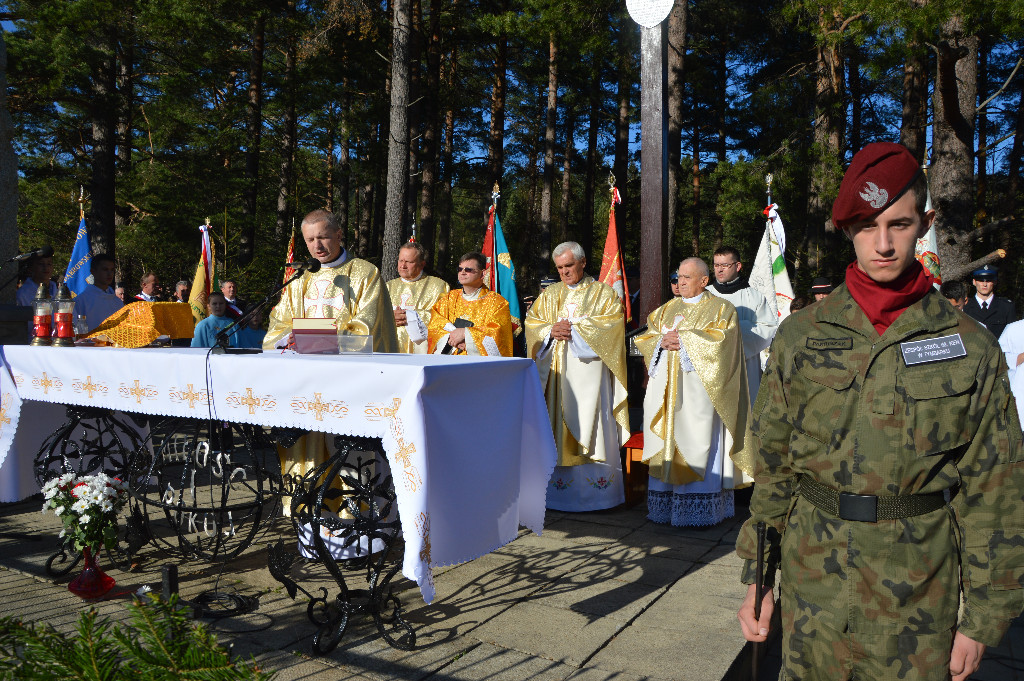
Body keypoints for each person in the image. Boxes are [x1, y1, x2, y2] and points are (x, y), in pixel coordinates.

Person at [736, 142, 1024, 681]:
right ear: (849, 229)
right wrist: (759, 577)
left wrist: (985, 617)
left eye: (900, 224)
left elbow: (996, 491)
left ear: (926, 225)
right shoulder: (801, 337)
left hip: (917, 595)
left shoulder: (970, 347)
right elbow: (773, 467)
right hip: (814, 585)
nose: (884, 243)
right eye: (868, 226)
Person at [634, 257, 754, 527]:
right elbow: (647, 337)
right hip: (666, 393)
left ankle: (701, 509)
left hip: (700, 395)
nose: (681, 282)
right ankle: (665, 506)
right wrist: (660, 341)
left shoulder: (721, 309)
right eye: (679, 277)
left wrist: (686, 340)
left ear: (704, 280)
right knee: (666, 438)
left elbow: (724, 343)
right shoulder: (667, 309)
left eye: (687, 277)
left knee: (698, 439)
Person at [525, 241, 630, 511]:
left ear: (583, 262)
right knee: (555, 425)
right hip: (557, 376)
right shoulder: (550, 295)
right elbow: (532, 323)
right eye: (559, 267)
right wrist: (549, 331)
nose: (564, 272)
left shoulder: (603, 294)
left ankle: (598, 497)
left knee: (592, 426)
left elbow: (612, 327)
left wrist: (574, 330)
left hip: (590, 377)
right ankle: (558, 497)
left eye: (569, 265)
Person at [264, 208, 398, 352]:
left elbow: (369, 326)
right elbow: (279, 323)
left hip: (347, 362)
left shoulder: (365, 273)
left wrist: (324, 341)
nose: (317, 246)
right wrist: (288, 337)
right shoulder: (299, 278)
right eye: (310, 240)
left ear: (338, 235)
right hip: (304, 361)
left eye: (322, 238)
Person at [708, 246, 778, 401]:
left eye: (725, 265)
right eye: (716, 265)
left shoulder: (754, 297)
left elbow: (768, 329)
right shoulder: (705, 295)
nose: (719, 270)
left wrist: (735, 331)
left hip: (744, 367)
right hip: (710, 366)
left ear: (738, 266)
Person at [427, 252, 513, 356]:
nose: (462, 273)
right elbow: (435, 325)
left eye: (468, 270)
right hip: (449, 358)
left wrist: (466, 334)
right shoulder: (449, 298)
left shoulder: (497, 302)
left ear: (483, 274)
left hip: (478, 363)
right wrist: (452, 337)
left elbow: (499, 334)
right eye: (460, 269)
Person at [386, 242, 449, 354]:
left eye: (409, 262)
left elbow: (443, 318)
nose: (403, 266)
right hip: (391, 347)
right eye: (401, 260)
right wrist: (388, 317)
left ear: (422, 264)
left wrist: (410, 316)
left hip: (422, 350)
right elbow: (375, 316)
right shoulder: (387, 287)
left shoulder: (439, 286)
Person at [72, 254, 123, 333]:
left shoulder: (118, 302)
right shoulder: (80, 301)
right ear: (93, 271)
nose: (109, 274)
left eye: (112, 270)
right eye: (105, 269)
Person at [963, 264, 1016, 339]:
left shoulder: (1006, 307)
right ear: (974, 282)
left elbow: (1012, 337)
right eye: (981, 280)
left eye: (988, 280)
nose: (984, 284)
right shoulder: (965, 307)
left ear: (995, 282)